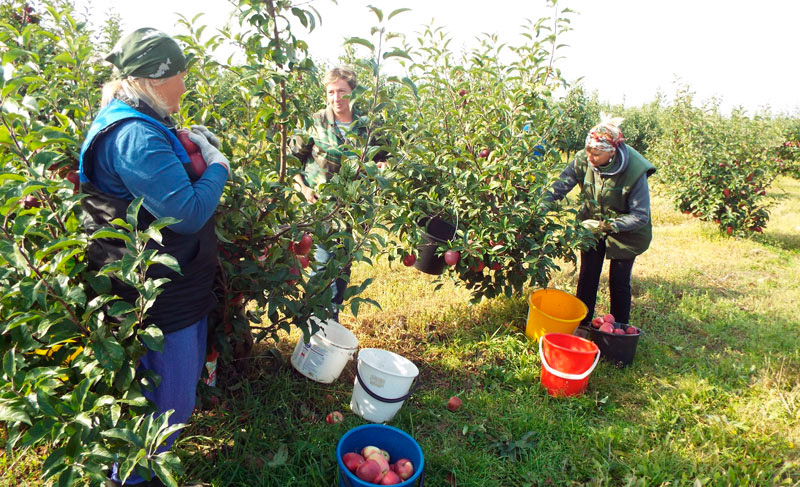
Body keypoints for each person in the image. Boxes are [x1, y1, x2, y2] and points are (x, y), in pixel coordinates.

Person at [78, 28, 229, 487]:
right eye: (180, 75)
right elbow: (185, 212)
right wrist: (218, 166)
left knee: (169, 400)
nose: (185, 85)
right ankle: (134, 478)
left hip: (174, 286)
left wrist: (190, 143)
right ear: (153, 79)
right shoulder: (133, 135)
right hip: (158, 297)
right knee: (166, 407)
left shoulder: (147, 123)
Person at [545, 113, 656, 336]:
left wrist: (606, 226)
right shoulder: (584, 159)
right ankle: (583, 324)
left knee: (619, 280)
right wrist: (540, 205)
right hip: (592, 225)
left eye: (596, 153)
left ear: (612, 151)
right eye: (588, 151)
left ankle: (618, 329)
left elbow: (640, 215)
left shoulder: (635, 171)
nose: (590, 157)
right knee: (588, 274)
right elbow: (560, 187)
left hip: (628, 232)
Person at [291, 66, 386, 320]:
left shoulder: (367, 126)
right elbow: (292, 162)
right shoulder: (315, 122)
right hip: (321, 209)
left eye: (342, 91)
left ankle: (327, 326)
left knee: (342, 268)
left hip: (353, 211)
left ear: (353, 93)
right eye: (331, 92)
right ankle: (316, 327)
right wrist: (303, 187)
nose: (336, 98)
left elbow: (385, 157)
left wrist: (382, 166)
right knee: (322, 267)